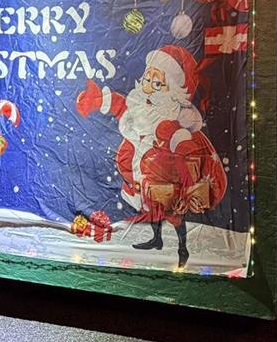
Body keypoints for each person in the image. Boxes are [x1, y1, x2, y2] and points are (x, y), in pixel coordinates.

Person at [76, 45, 227, 269]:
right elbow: (121, 105)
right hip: (144, 180)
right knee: (152, 209)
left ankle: (183, 248)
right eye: (147, 79)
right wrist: (97, 99)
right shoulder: (139, 108)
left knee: (174, 215)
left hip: (165, 177)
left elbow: (181, 141)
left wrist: (186, 170)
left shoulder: (167, 119)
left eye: (157, 83)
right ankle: (156, 239)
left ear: (174, 91)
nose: (148, 87)